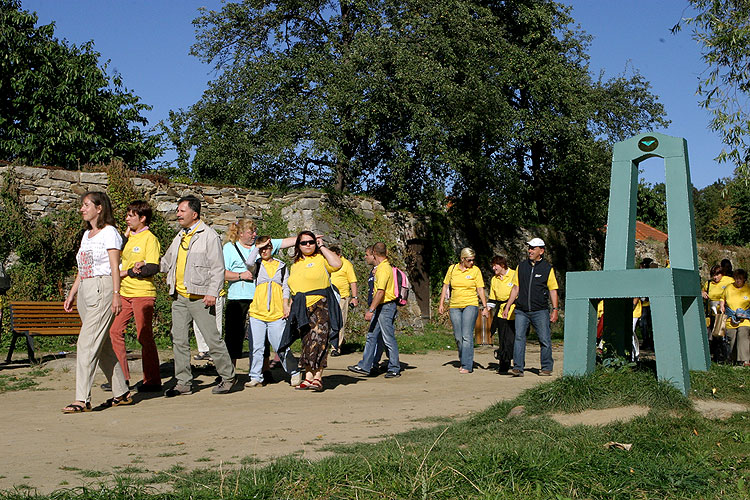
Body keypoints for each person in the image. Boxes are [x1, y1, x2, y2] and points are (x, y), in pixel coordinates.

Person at [159, 195, 236, 396]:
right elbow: (166, 262)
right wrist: (147, 265)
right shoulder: (180, 236)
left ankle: (228, 377)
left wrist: (213, 293)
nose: (178, 214)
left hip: (201, 297)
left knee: (212, 339)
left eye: (181, 211)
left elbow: (218, 268)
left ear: (194, 214)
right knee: (179, 340)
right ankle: (183, 382)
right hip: (180, 297)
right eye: (178, 210)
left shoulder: (209, 235)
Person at [62, 192, 130, 413]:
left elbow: (114, 266)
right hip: (86, 290)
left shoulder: (110, 233)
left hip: (103, 288)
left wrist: (116, 294)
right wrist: (72, 293)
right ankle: (121, 392)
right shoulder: (87, 235)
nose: (82, 209)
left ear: (99, 208)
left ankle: (82, 399)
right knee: (101, 345)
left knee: (86, 344)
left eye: (86, 205)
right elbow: (83, 269)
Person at [108, 200, 162, 393]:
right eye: (127, 215)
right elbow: (117, 253)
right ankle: (121, 378)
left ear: (143, 218)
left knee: (144, 336)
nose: (127, 219)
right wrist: (125, 235)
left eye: (131, 215)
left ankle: (152, 380)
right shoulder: (129, 237)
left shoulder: (150, 238)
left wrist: (130, 271)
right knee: (114, 331)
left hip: (142, 294)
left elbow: (153, 268)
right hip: (124, 293)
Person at [281, 231, 342, 391]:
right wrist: (288, 306)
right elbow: (293, 288)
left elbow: (337, 264)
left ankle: (318, 377)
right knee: (307, 341)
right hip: (301, 307)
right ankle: (308, 376)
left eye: (311, 242)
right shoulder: (295, 264)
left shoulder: (321, 258)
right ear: (298, 246)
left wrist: (322, 247)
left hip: (321, 304)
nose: (308, 245)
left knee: (319, 339)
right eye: (303, 243)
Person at [245, 236, 301, 387]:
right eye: (261, 249)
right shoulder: (256, 265)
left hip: (276, 314)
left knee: (280, 346)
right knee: (257, 347)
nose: (264, 251)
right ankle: (255, 376)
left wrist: (285, 305)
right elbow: (248, 263)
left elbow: (286, 287)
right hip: (257, 313)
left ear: (272, 249)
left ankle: (294, 372)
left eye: (266, 248)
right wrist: (257, 246)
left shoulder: (281, 266)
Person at [503, 237, 559, 377]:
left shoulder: (547, 268)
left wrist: (555, 309)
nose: (530, 251)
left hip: (540, 310)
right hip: (521, 310)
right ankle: (518, 367)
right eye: (529, 248)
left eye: (533, 248)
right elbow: (516, 287)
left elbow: (553, 290)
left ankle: (546, 367)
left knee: (544, 339)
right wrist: (508, 306)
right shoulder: (521, 266)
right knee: (519, 338)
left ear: (541, 250)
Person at [348, 242, 402, 378]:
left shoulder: (384, 269)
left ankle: (394, 368)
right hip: (381, 307)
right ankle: (365, 365)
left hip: (386, 306)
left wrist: (371, 310)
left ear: (374, 254)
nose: (366, 257)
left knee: (388, 338)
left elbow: (380, 292)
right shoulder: (381, 268)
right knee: (371, 336)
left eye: (367, 255)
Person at [438, 248, 489, 374]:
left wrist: (485, 306)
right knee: (458, 336)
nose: (472, 262)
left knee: (466, 335)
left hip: (470, 304)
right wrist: (441, 304)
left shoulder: (475, 270)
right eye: (469, 260)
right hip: (455, 305)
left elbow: (480, 289)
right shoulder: (452, 269)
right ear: (462, 259)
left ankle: (467, 364)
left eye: (473, 260)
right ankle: (463, 358)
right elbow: (445, 286)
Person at [221, 219, 258, 366]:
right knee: (233, 335)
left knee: (261, 335)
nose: (254, 235)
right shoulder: (229, 248)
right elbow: (221, 272)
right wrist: (240, 276)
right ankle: (229, 371)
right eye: (251, 232)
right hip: (237, 296)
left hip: (257, 296)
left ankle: (262, 370)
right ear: (241, 233)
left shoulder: (258, 248)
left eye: (255, 231)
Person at [328, 245, 359, 356]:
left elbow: (353, 281)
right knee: (329, 322)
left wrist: (354, 297)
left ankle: (336, 347)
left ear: (339, 255)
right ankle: (336, 341)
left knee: (340, 322)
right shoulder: (327, 263)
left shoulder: (346, 265)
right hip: (329, 297)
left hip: (342, 297)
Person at [488, 255, 515, 374]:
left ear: (502, 265)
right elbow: (493, 299)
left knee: (512, 340)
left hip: (514, 312)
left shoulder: (514, 275)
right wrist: (486, 308)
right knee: (503, 340)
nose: (494, 268)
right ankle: (503, 365)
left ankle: (518, 362)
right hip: (501, 314)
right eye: (493, 266)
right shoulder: (494, 279)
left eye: (495, 265)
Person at [720, 268, 750, 366]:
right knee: (732, 339)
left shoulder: (748, 289)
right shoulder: (728, 288)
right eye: (736, 278)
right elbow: (722, 298)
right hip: (730, 318)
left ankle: (744, 360)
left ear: (744, 279)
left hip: (744, 319)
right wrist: (721, 306)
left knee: (743, 335)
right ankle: (733, 360)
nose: (738, 280)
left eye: (740, 278)